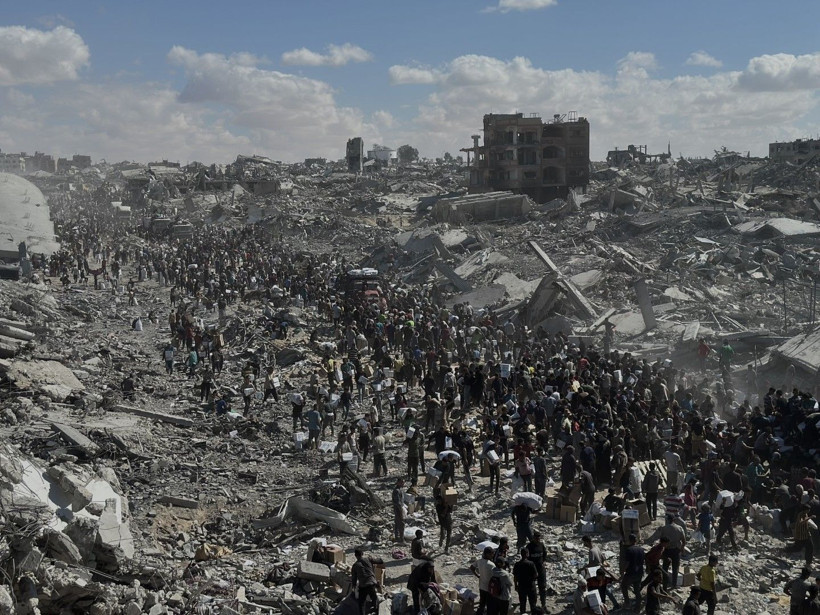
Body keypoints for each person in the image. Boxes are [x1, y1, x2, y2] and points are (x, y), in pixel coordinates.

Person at [659, 514, 686, 589]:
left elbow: (661, 541)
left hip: (667, 550)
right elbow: (684, 541)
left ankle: (664, 584)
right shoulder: (679, 528)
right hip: (676, 550)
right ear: (674, 520)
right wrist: (681, 549)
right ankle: (674, 585)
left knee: (665, 568)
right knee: (675, 568)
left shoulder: (664, 528)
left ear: (668, 520)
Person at [351, 548, 380, 615]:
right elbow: (379, 561)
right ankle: (376, 610)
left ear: (355, 555)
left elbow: (354, 578)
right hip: (372, 583)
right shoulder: (368, 559)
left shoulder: (355, 565)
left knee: (361, 603)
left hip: (363, 585)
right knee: (374, 597)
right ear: (362, 554)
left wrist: (354, 587)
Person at [621, 533, 644, 612]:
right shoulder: (641, 549)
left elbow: (627, 563)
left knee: (623, 586)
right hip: (640, 572)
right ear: (636, 540)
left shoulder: (629, 550)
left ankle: (627, 603)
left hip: (631, 573)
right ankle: (638, 607)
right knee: (637, 590)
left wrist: (623, 570)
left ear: (630, 540)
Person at [471, 546, 497, 615]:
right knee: (490, 605)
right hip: (489, 588)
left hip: (481, 586)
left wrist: (478, 575)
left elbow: (472, 567)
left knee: (482, 603)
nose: (493, 555)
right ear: (487, 554)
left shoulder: (479, 561)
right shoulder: (491, 565)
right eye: (492, 554)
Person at [512, 548, 538, 615]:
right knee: (533, 603)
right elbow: (536, 574)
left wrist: (516, 585)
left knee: (522, 603)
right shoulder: (531, 563)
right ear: (527, 554)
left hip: (521, 586)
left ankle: (523, 613)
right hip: (531, 586)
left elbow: (515, 576)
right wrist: (533, 579)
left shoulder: (517, 564)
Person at [526, 532, 548, 609]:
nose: (538, 540)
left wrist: (544, 561)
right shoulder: (529, 546)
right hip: (531, 571)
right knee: (532, 589)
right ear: (533, 538)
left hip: (541, 569)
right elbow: (526, 557)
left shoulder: (541, 545)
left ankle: (543, 605)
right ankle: (533, 606)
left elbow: (545, 553)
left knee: (543, 588)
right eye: (536, 538)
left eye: (539, 538)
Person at [434, 489, 453, 554]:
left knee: (449, 536)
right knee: (443, 535)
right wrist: (446, 507)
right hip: (443, 523)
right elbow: (442, 515)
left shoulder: (445, 505)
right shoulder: (438, 507)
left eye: (440, 500)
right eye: (438, 501)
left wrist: (450, 504)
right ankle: (441, 541)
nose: (439, 502)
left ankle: (446, 548)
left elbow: (451, 511)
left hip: (449, 522)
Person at [392, 478, 406, 543]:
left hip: (400, 508)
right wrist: (401, 510)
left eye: (403, 482)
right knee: (401, 523)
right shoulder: (396, 491)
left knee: (398, 523)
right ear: (398, 482)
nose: (403, 484)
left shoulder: (401, 490)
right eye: (401, 482)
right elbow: (397, 502)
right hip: (398, 509)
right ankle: (401, 539)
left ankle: (397, 537)